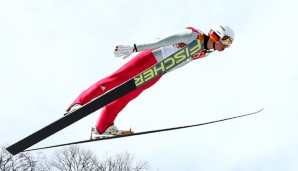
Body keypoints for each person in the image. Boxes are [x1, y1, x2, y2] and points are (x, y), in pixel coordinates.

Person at [65, 24, 235, 139]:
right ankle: (78, 104)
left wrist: (162, 71)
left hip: (159, 70)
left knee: (127, 95)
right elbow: (161, 41)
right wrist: (135, 47)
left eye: (230, 43)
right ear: (216, 35)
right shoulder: (193, 36)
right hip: (152, 58)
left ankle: (103, 127)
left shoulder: (205, 51)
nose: (226, 46)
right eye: (226, 40)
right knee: (116, 80)